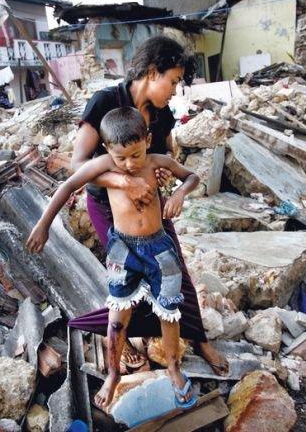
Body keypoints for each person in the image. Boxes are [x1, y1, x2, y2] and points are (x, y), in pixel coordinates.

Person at [71, 35, 229, 376]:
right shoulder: (104, 102)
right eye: (173, 81)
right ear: (153, 72)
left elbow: (166, 157)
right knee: (126, 275)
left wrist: (164, 176)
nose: (175, 90)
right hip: (107, 207)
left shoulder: (162, 115)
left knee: (176, 273)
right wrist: (123, 181)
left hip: (150, 206)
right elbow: (78, 165)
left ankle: (197, 336)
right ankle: (116, 336)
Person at [27, 107, 200, 410]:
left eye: (136, 154)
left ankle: (173, 368)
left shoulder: (158, 161)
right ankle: (113, 374)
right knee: (118, 318)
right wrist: (43, 225)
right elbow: (68, 185)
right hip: (123, 250)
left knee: (169, 313)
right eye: (122, 158)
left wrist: (179, 194)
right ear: (108, 148)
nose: (130, 164)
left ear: (147, 140)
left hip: (160, 247)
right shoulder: (104, 164)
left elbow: (192, 176)